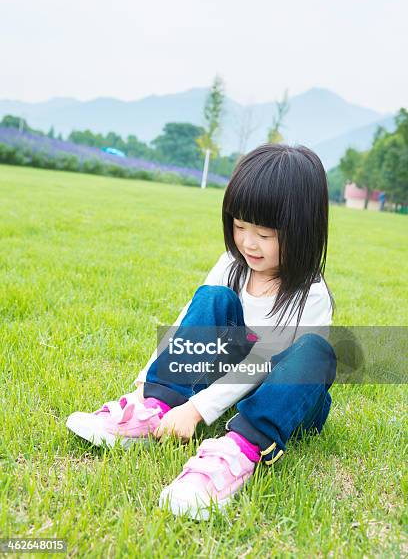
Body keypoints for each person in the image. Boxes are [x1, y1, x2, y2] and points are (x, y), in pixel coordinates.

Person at [66, 143, 337, 520]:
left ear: (303, 230)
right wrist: (149, 384)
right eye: (239, 226)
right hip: (229, 369)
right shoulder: (232, 264)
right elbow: (188, 321)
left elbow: (261, 361)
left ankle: (239, 450)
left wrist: (197, 409)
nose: (248, 242)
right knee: (211, 299)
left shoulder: (312, 295)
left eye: (264, 233)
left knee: (315, 352)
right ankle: (153, 411)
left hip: (287, 395)